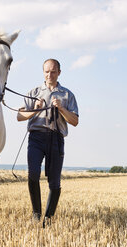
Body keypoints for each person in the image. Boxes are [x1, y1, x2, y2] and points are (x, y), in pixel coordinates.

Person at [17, 58, 79, 227]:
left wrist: (61, 108)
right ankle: (36, 214)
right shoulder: (34, 92)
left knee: (54, 182)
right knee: (33, 173)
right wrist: (34, 109)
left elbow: (74, 121)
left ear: (59, 72)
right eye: (46, 71)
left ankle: (48, 219)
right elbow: (19, 116)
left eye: (53, 71)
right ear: (43, 72)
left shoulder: (67, 95)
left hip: (56, 139)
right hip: (36, 137)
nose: (49, 74)